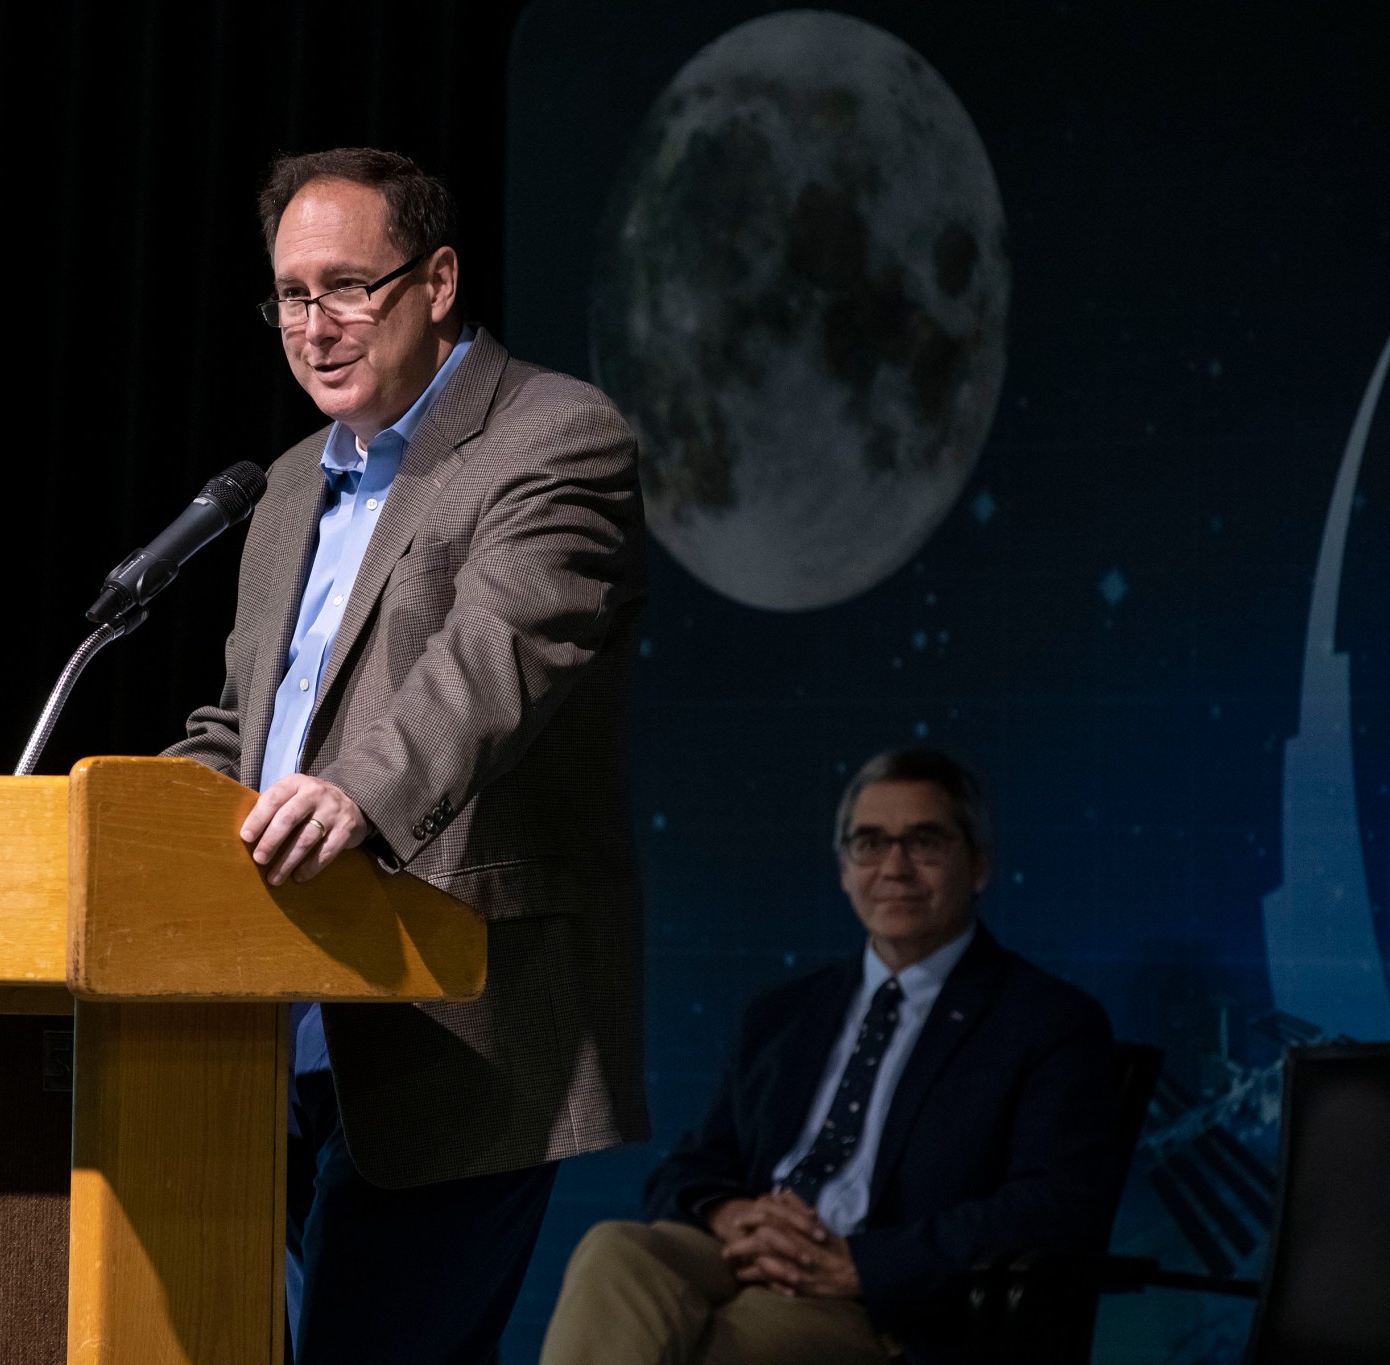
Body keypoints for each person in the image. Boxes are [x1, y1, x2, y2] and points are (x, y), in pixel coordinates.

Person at [162, 146, 648, 1365]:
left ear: (435, 281)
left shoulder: (555, 436)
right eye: (288, 294)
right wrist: (113, 821)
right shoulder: (281, 488)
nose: (311, 327)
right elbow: (244, 724)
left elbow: (495, 662)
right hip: (272, 1027)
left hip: (451, 1026)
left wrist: (357, 796)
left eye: (345, 288)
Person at [540, 748, 1122, 1365]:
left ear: (978, 864)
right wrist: (735, 1215)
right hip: (748, 1251)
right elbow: (691, 1166)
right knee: (616, 1250)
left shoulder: (1046, 1023)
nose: (894, 867)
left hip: (879, 1299)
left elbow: (1053, 1207)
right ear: (845, 870)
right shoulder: (787, 1012)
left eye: (924, 842)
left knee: (711, 1346)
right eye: (869, 844)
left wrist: (862, 1267)